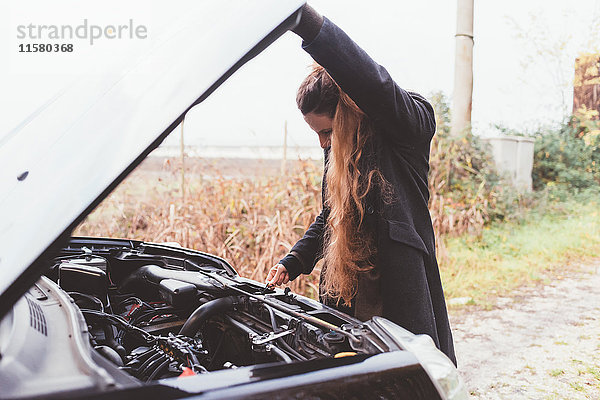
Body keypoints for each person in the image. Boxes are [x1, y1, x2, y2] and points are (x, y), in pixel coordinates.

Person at [265, 4, 456, 364]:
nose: (323, 143)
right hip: (348, 295)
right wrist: (295, 260)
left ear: (349, 110)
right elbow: (330, 217)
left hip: (395, 295)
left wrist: (308, 24)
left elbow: (374, 85)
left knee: (402, 377)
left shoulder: (407, 128)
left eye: (326, 131)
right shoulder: (337, 153)